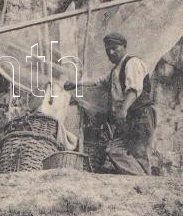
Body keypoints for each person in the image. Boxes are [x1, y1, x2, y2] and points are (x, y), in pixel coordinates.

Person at [65, 32, 155, 175]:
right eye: (108, 50)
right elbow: (98, 82)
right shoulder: (115, 71)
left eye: (115, 48)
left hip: (139, 115)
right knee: (114, 151)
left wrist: (123, 110)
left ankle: (143, 183)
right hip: (126, 118)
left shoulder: (132, 63)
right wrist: (76, 84)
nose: (111, 52)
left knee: (140, 154)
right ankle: (142, 180)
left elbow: (134, 89)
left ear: (124, 47)